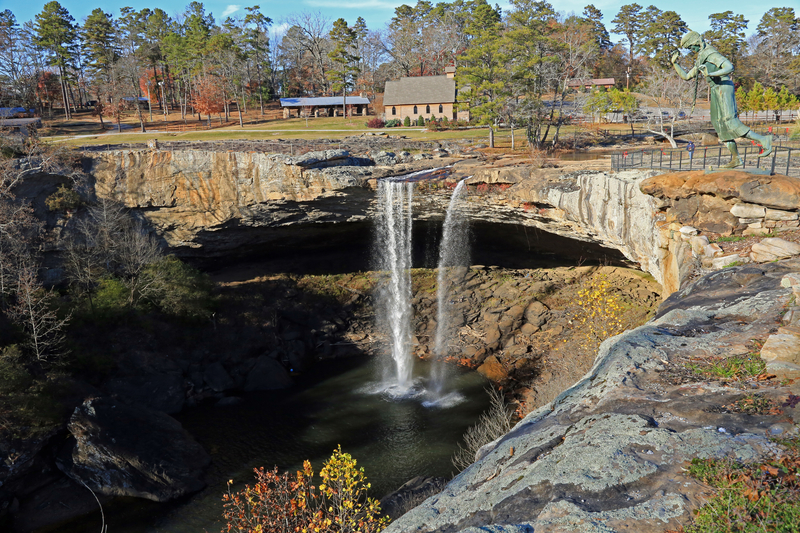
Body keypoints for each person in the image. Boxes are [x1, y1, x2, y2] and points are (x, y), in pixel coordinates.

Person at [671, 30, 772, 169]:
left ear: (695, 42)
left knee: (730, 122)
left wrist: (711, 73)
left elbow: (729, 67)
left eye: (690, 47)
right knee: (719, 124)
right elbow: (687, 76)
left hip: (723, 87)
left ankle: (763, 139)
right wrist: (675, 63)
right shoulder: (701, 56)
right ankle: (736, 159)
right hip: (715, 89)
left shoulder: (710, 53)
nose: (691, 50)